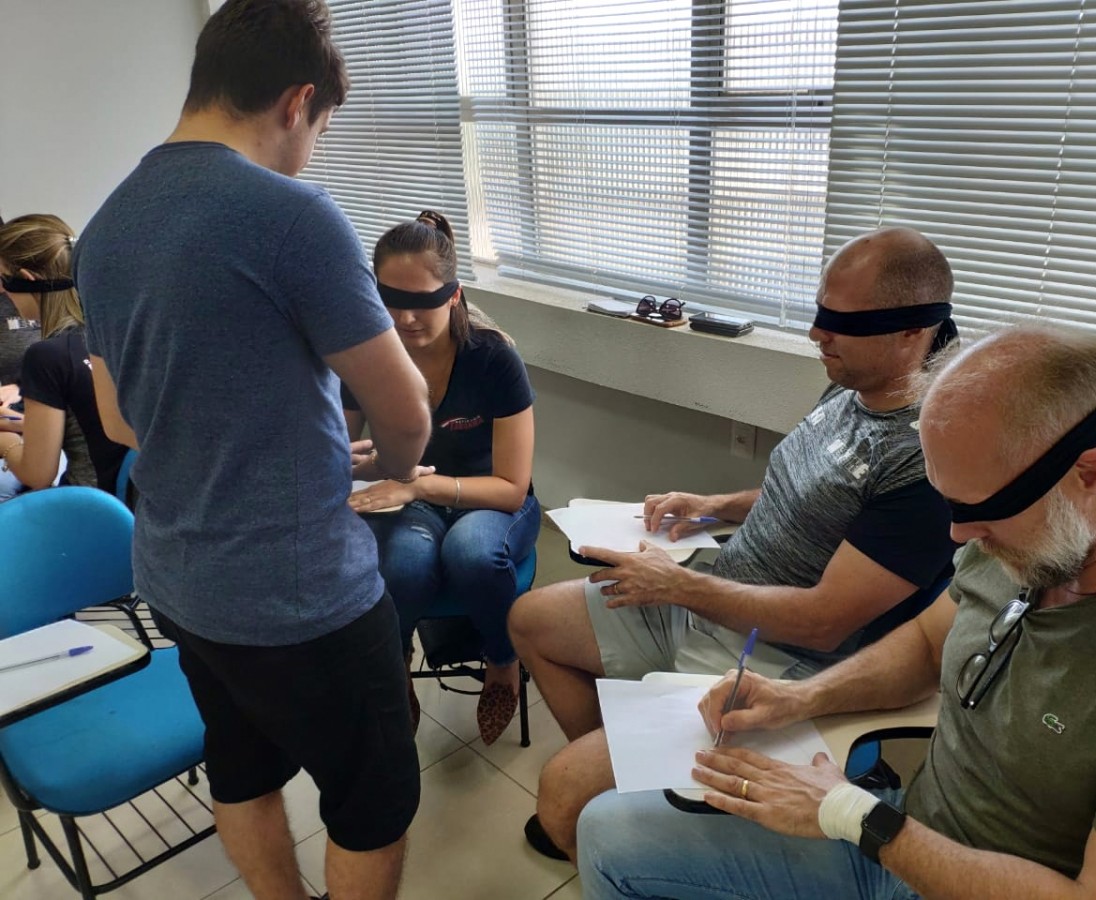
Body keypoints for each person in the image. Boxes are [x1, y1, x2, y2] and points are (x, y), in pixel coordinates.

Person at [576, 323, 1096, 900]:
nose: (959, 537)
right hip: (907, 835)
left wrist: (856, 817)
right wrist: (800, 698)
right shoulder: (1032, 533)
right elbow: (928, 644)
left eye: (978, 512)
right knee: (609, 831)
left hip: (944, 863)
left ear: (1091, 474)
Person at [73, 3, 430, 899]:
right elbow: (407, 408)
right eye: (322, 129)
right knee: (374, 800)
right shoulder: (291, 215)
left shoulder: (105, 227)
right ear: (297, 102)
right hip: (299, 595)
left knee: (241, 766)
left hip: (179, 581)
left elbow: (119, 422)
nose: (313, 150)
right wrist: (393, 468)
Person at [508, 226, 960, 859]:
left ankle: (620, 802)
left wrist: (680, 585)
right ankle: (635, 778)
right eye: (820, 312)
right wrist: (714, 505)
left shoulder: (926, 458)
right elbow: (808, 492)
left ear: (912, 331)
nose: (817, 334)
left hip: (775, 656)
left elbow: (825, 623)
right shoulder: (855, 382)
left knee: (561, 799)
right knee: (530, 619)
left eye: (840, 322)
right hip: (714, 595)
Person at [346, 210, 539, 745]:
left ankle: (502, 658)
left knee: (471, 554)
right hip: (414, 501)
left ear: (453, 295)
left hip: (491, 499)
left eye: (424, 301)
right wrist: (357, 465)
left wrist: (416, 484)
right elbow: (338, 454)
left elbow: (511, 488)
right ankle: (395, 665)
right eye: (390, 300)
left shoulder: (493, 358)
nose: (405, 318)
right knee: (402, 566)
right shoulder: (366, 359)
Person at [0, 214, 122, 497]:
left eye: (3, 280)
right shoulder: (106, 332)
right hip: (125, 499)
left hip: (83, 504)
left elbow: (38, 475)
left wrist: (5, 442)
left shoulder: (47, 356)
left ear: (26, 280)